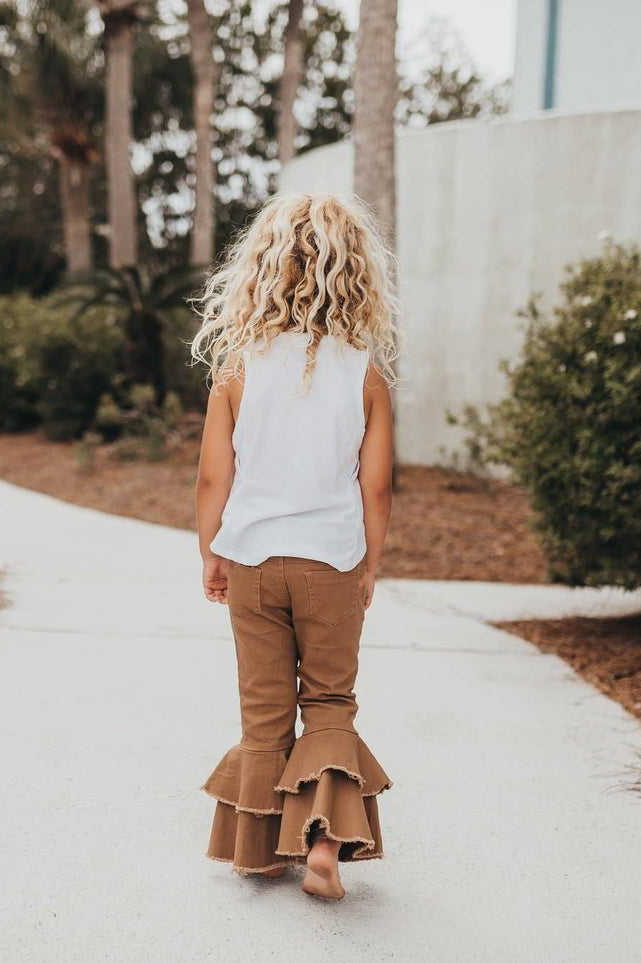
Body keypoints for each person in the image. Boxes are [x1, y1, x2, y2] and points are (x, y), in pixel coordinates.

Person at [189, 192, 401, 901]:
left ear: (264, 268)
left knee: (264, 710)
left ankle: (256, 853)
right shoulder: (363, 374)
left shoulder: (237, 369)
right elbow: (376, 488)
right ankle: (322, 845)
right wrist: (368, 566)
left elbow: (213, 476)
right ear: (354, 272)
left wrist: (211, 552)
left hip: (252, 560)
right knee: (331, 701)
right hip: (330, 561)